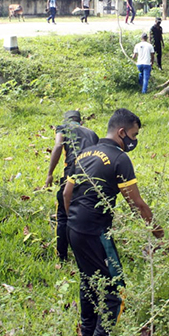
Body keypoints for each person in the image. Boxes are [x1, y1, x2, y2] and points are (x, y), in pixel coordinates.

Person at [63, 108, 164, 336]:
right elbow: (136, 203)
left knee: (88, 282)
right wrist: (158, 232)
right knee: (114, 291)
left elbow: (67, 193)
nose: (135, 139)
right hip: (96, 232)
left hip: (73, 228)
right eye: (134, 134)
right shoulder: (120, 159)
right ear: (122, 132)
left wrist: (75, 220)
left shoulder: (84, 153)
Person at [44, 110, 99, 262]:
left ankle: (61, 256)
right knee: (85, 214)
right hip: (91, 176)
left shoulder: (63, 128)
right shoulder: (92, 133)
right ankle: (87, 253)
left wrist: (49, 174)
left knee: (62, 216)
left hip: (72, 174)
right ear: (81, 122)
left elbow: (57, 146)